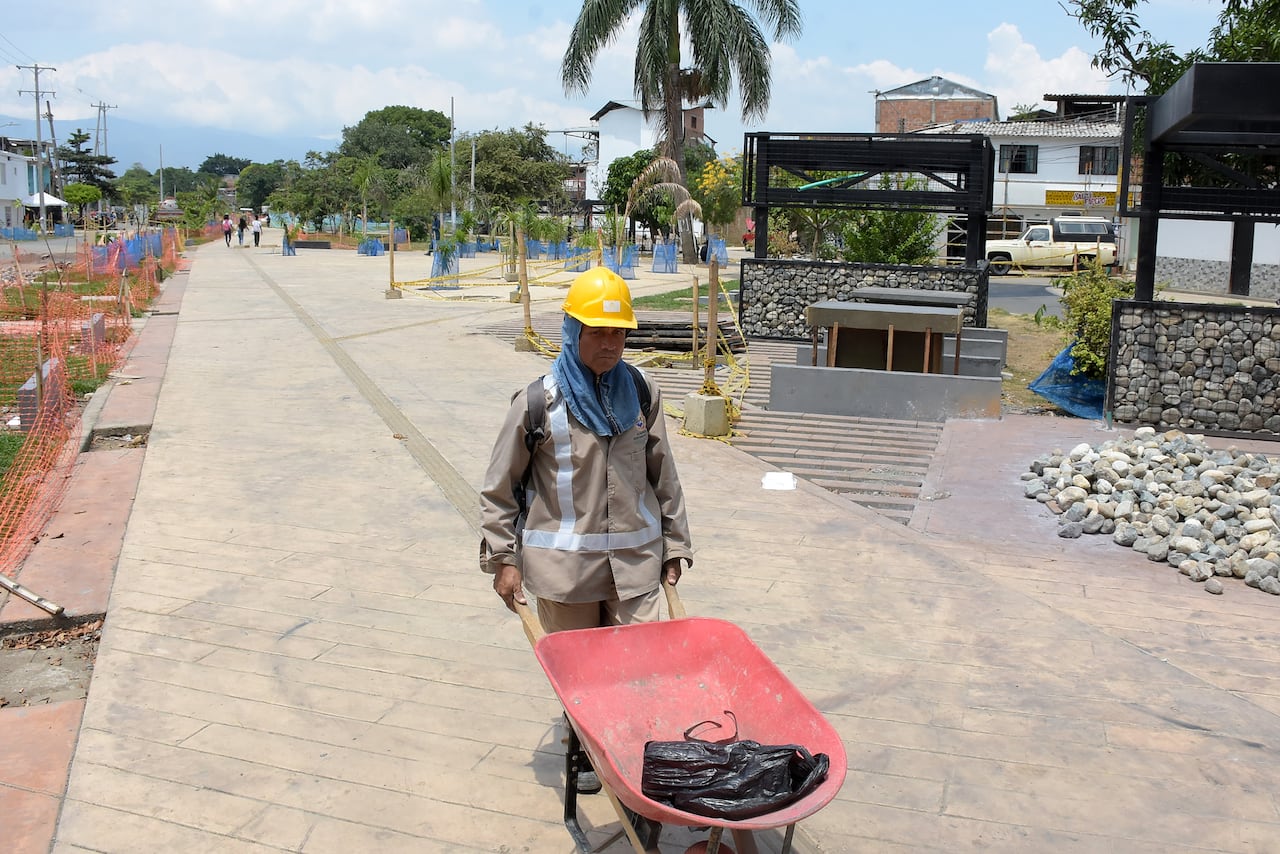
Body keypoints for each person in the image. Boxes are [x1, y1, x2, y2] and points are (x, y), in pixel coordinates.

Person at [479, 267, 693, 792]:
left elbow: (663, 474)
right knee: (582, 679)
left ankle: (632, 756)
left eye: (619, 332)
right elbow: (500, 488)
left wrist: (675, 544)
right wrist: (503, 559)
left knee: (638, 671)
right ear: (573, 330)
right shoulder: (538, 402)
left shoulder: (641, 393)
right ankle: (589, 753)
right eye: (597, 332)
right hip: (565, 573)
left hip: (636, 567)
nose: (610, 344)